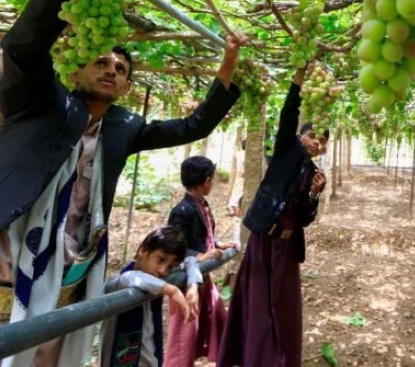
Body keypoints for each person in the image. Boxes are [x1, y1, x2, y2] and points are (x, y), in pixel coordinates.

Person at [0, 0, 245, 367]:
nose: (112, 70)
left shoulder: (122, 128)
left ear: (125, 88)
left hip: (64, 292)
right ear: (75, 70)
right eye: (101, 61)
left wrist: (226, 68)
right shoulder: (40, 104)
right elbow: (22, 52)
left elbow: (192, 127)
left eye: (121, 69)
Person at [217, 68, 328, 367]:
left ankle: (280, 358)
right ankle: (252, 357)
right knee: (256, 304)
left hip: (287, 248)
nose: (318, 142)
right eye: (313, 135)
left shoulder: (315, 174)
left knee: (283, 308)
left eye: (323, 139)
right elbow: (288, 114)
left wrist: (315, 195)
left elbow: (305, 218)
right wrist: (299, 80)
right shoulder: (286, 150)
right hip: (265, 238)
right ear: (301, 136)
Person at [166, 156, 239, 367]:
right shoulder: (182, 210)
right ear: (206, 181)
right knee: (184, 332)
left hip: (202, 276)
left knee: (216, 315)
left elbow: (205, 234)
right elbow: (173, 246)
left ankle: (224, 355)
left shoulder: (202, 205)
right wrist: (198, 257)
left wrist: (217, 244)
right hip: (184, 281)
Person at [99, 226, 201, 367]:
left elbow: (190, 261)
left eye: (170, 267)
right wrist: (173, 291)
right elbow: (130, 278)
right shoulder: (120, 283)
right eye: (160, 260)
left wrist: (192, 285)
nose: (163, 271)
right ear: (143, 251)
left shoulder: (156, 283)